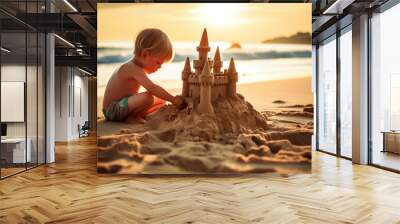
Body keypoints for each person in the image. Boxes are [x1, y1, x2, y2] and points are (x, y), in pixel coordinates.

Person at [102, 28, 185, 123]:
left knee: (161, 99)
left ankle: (135, 115)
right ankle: (131, 116)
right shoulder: (131, 68)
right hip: (112, 110)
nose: (160, 67)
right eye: (158, 63)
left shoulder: (136, 68)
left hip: (122, 106)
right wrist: (173, 99)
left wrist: (167, 98)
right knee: (148, 97)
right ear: (145, 54)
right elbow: (152, 88)